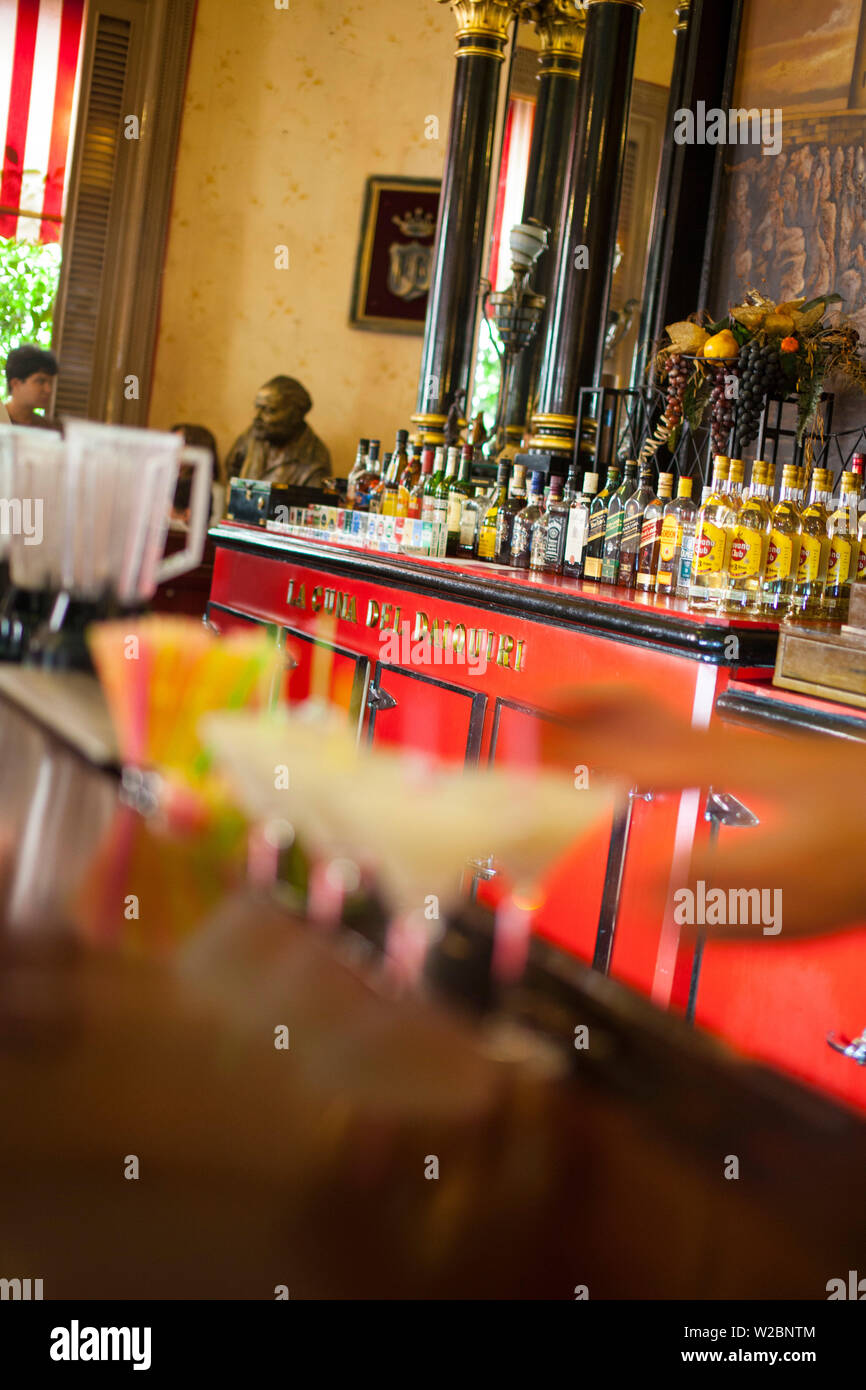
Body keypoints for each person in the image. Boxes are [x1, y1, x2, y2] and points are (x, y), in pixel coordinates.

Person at [224, 375, 331, 487]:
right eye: (257, 407)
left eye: (269, 410)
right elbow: (232, 469)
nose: (255, 417)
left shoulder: (315, 460)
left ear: (295, 415)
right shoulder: (255, 434)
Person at [171, 422, 223, 524]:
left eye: (180, 444)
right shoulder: (162, 482)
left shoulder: (214, 491)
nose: (173, 449)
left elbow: (210, 530)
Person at [3, 344, 59, 428]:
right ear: (15, 384)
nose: (48, 390)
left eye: (50, 382)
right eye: (40, 381)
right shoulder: (2, 421)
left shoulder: (48, 428)